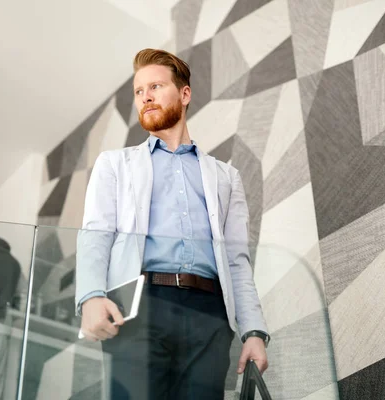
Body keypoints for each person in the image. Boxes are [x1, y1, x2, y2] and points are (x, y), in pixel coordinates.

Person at [75, 48, 269, 399]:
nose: (145, 96)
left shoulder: (227, 177)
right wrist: (91, 296)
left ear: (184, 94)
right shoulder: (114, 164)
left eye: (155, 86)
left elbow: (237, 260)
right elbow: (96, 234)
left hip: (210, 316)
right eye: (138, 91)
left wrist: (253, 331)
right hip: (140, 306)